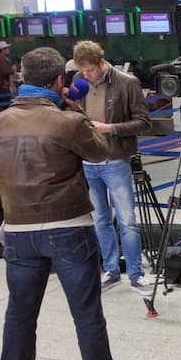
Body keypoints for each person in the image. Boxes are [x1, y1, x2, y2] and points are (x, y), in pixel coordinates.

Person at [0, 46, 134, 360]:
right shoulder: (67, 121)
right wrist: (73, 108)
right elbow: (99, 152)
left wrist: (3, 226)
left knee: (19, 312)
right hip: (69, 229)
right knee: (86, 313)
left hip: (18, 231)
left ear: (22, 77)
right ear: (59, 81)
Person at [71, 40, 153, 294]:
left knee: (127, 220)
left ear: (102, 63)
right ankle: (111, 269)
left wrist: (110, 129)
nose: (86, 75)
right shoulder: (78, 80)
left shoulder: (127, 83)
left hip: (115, 158)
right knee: (100, 220)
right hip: (88, 160)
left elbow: (143, 122)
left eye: (90, 71)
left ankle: (136, 273)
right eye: (82, 71)